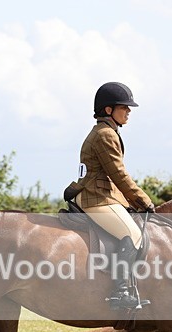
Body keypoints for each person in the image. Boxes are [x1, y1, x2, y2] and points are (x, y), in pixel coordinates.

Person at [63, 82, 155, 310]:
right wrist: (143, 200)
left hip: (101, 195)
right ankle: (120, 293)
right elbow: (119, 174)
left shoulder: (106, 132)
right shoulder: (105, 135)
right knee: (133, 234)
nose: (129, 111)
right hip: (97, 198)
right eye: (124, 107)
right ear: (108, 110)